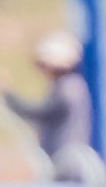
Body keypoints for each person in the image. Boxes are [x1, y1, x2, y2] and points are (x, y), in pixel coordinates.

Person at [8, 31, 94, 164]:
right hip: (63, 159)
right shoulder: (69, 86)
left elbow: (39, 111)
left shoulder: (68, 89)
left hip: (65, 161)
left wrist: (9, 97)